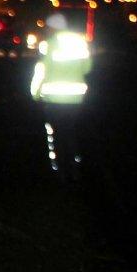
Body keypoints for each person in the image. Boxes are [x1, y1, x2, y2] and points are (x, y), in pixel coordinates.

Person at [31, 12, 92, 176]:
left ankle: (57, 168)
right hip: (76, 99)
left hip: (54, 99)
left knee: (54, 133)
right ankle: (76, 165)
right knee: (71, 131)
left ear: (52, 28)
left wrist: (35, 94)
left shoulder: (49, 44)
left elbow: (41, 71)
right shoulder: (80, 43)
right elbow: (87, 68)